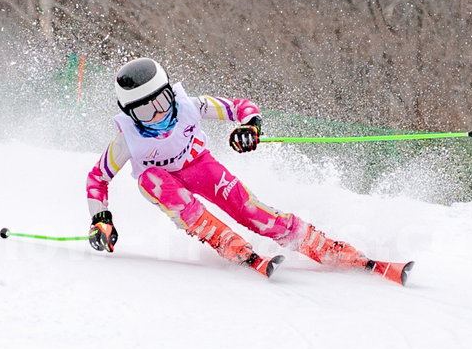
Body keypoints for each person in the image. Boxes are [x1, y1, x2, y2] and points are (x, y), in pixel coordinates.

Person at [86, 58, 411, 282]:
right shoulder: (127, 139)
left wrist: (250, 127)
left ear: (171, 93)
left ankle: (331, 250)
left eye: (162, 101)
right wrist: (101, 219)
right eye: (145, 110)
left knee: (251, 210)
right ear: (129, 113)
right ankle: (227, 242)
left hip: (200, 166)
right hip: (165, 183)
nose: (158, 115)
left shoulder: (190, 106)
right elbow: (97, 178)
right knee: (153, 180)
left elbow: (242, 107)